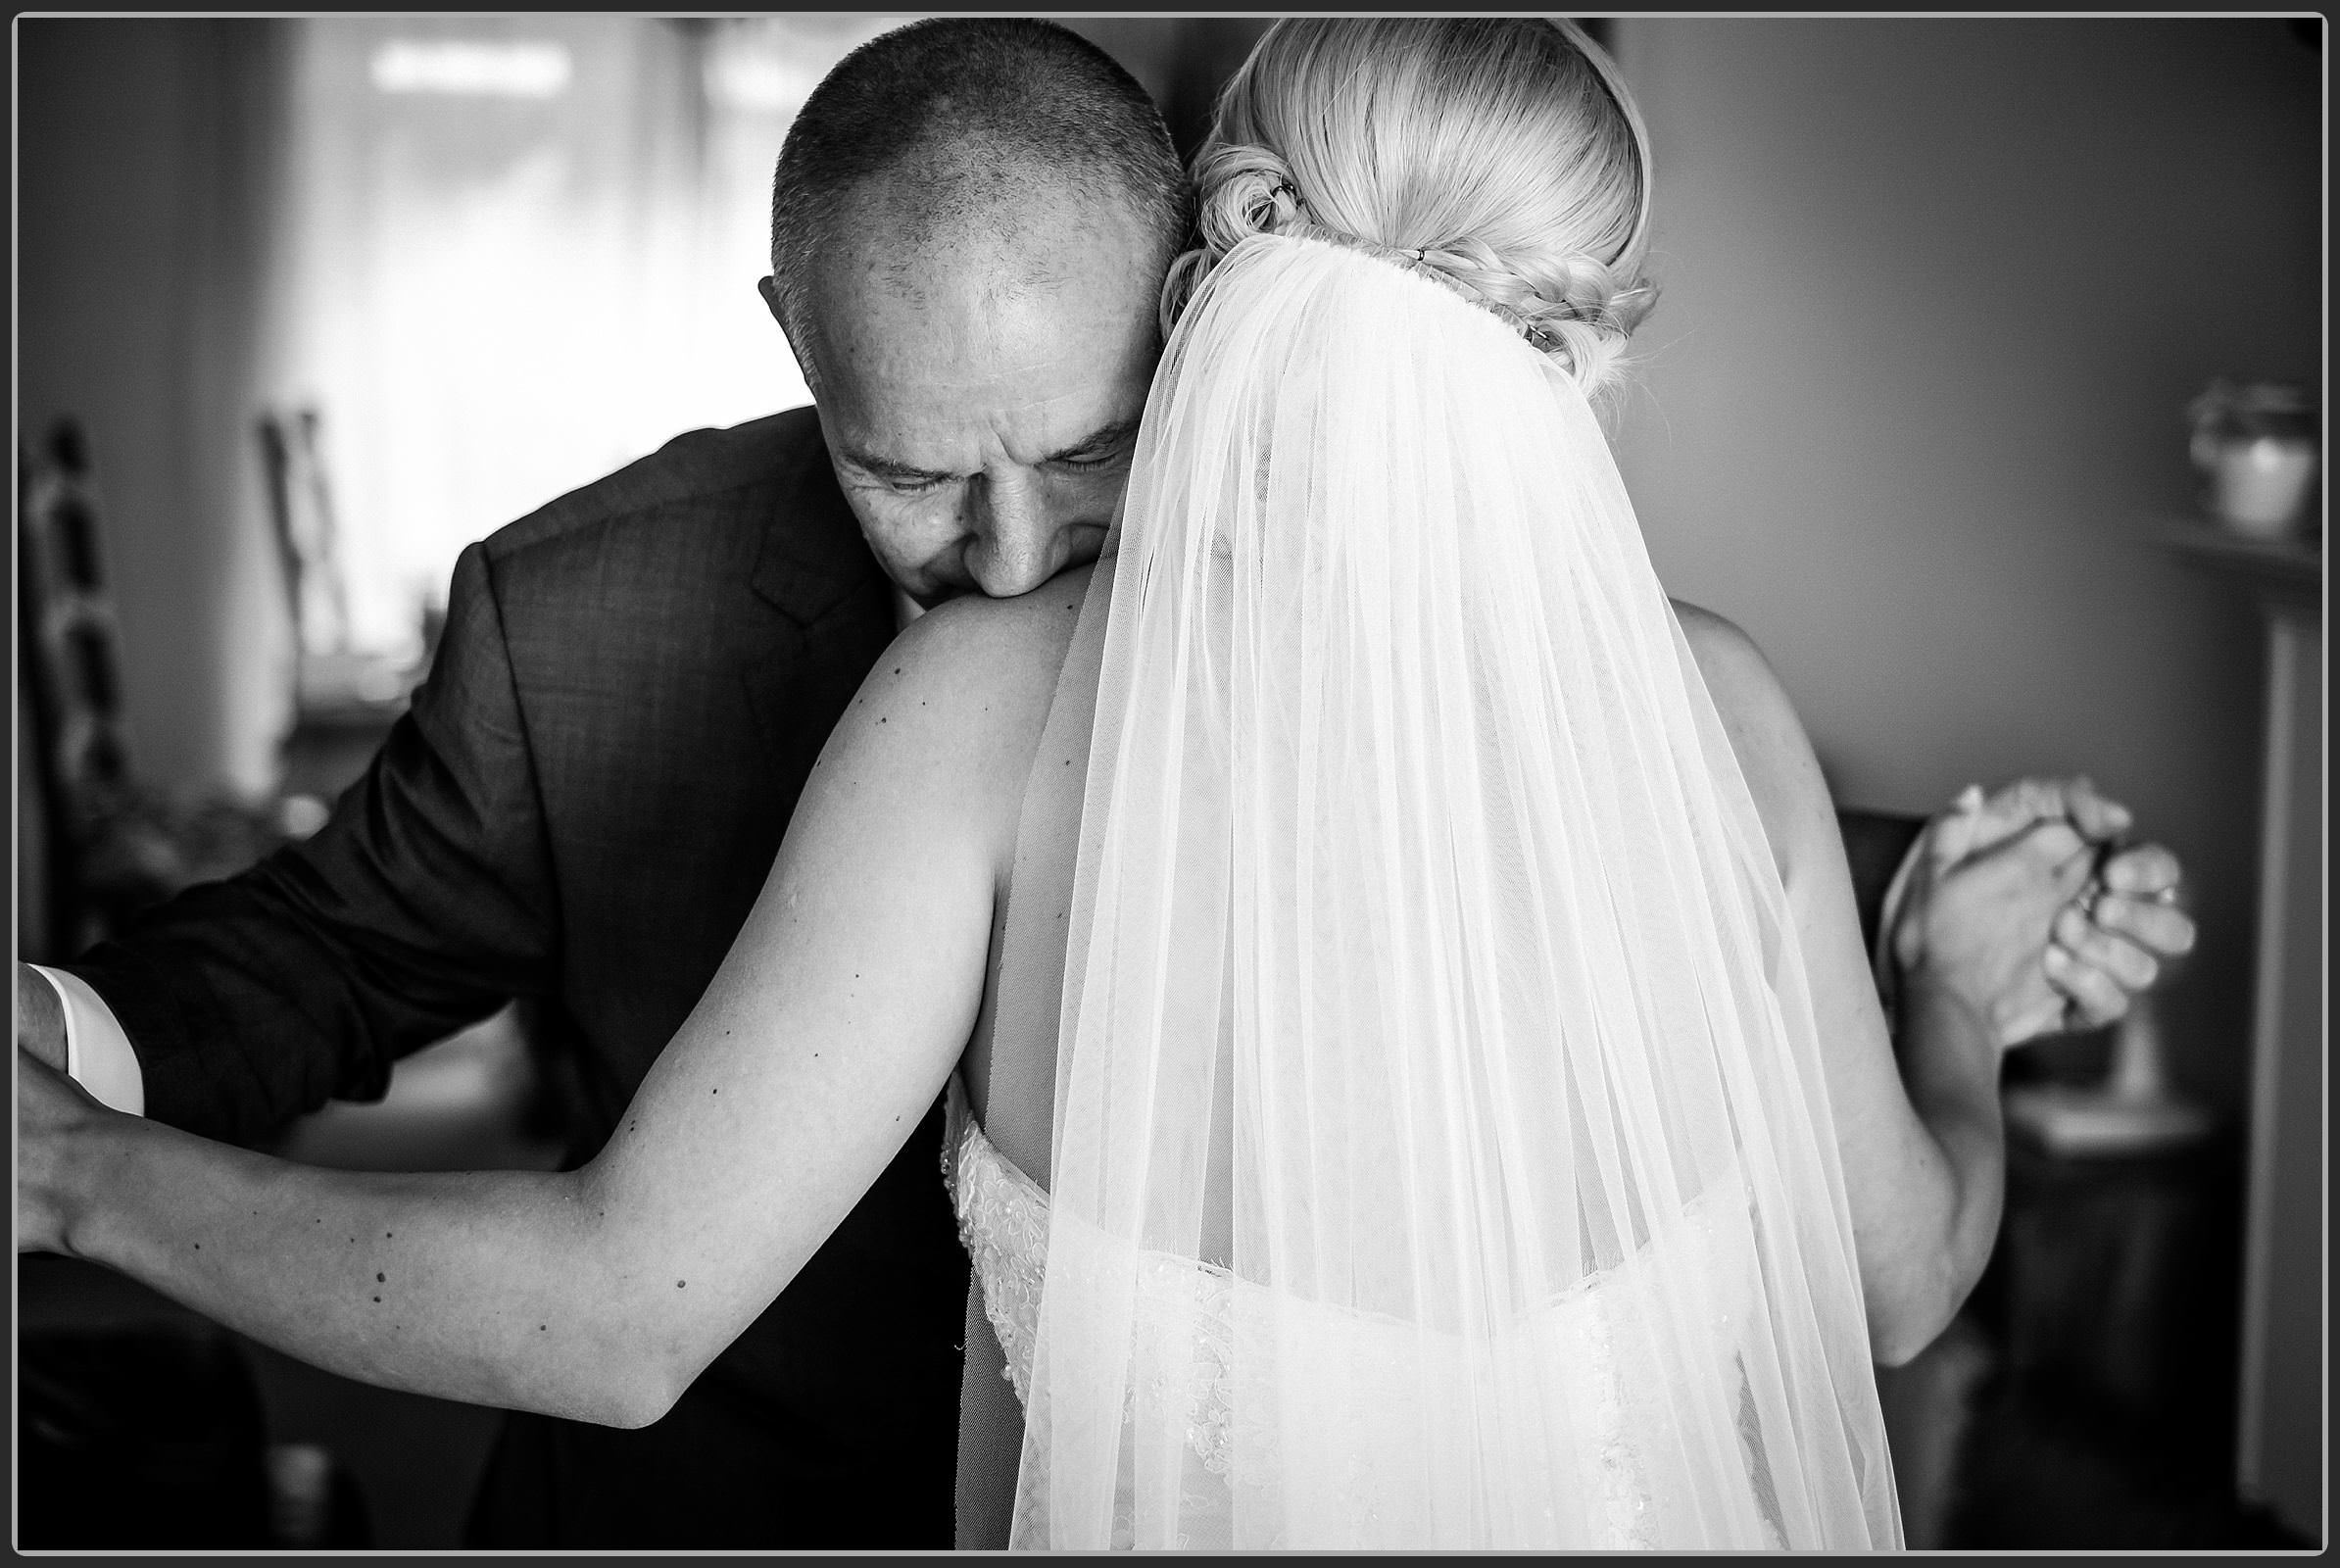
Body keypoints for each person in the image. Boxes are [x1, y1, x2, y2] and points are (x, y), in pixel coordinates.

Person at [16, 16, 2195, 1553]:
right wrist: (66, 1065)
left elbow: (616, 1292)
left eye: (1086, 451)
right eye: (906, 472)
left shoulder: (1037, 711)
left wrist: (1930, 907)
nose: (1015, 550)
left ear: (1212, 310)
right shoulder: (1712, 712)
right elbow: (1892, 1270)